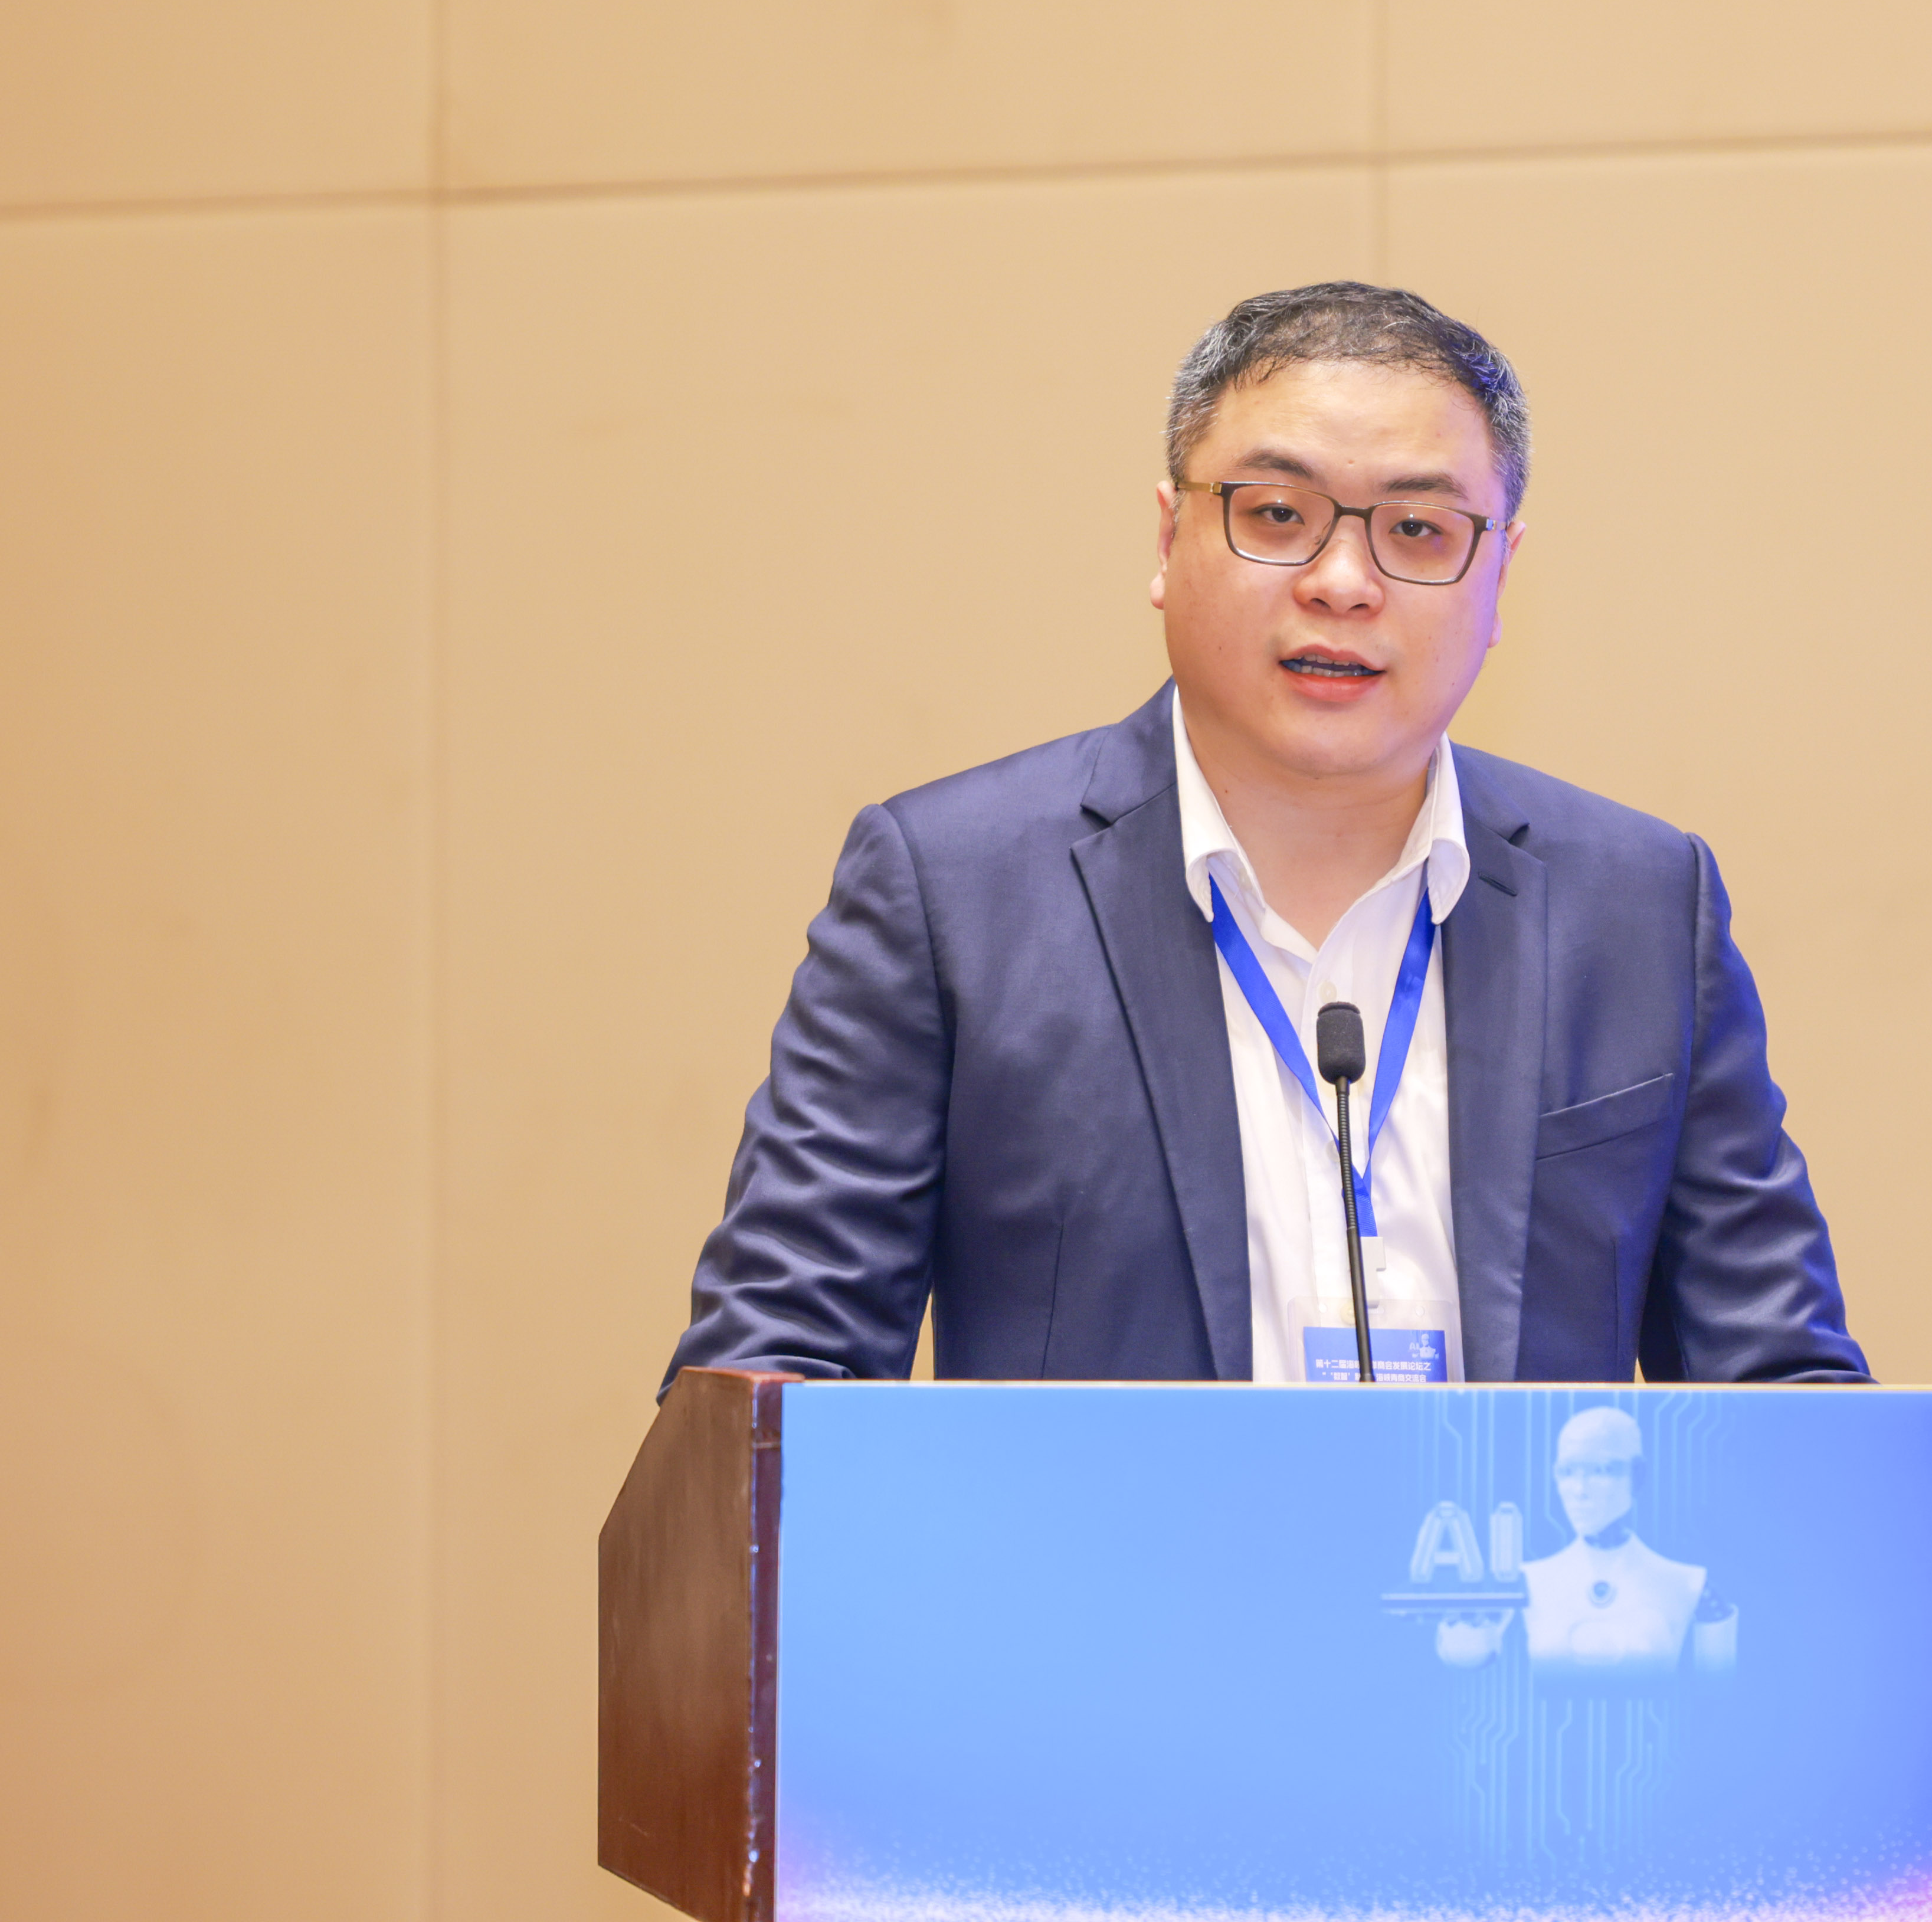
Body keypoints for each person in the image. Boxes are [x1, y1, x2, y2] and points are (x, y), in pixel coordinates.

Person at [662, 282, 1867, 1391]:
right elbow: (772, 1377)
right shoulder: (955, 895)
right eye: (1278, 514)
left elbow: (1784, 1392)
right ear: (1166, 541)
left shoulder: (1640, 907)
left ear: (1499, 576)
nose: (1342, 580)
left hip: (1502, 1570)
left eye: (1418, 530)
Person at [1515, 1406, 1734, 1678]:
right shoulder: (1525, 1583)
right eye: (1568, 1471)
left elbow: (1719, 1690)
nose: (1580, 1490)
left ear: (1637, 1475)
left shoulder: (1693, 1587)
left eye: (1602, 1470)